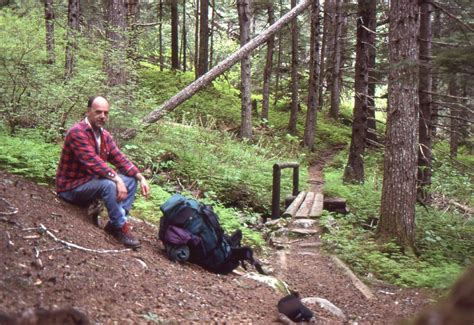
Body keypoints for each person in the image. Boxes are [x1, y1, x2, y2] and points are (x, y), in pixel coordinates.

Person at [55, 95, 150, 248]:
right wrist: (117, 180)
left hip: (90, 183)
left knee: (130, 180)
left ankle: (114, 224)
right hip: (71, 188)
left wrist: (141, 177)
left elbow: (120, 158)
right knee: (110, 184)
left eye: (106, 113)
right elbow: (93, 162)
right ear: (88, 112)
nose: (102, 116)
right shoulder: (77, 132)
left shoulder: (104, 135)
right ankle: (121, 226)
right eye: (98, 112)